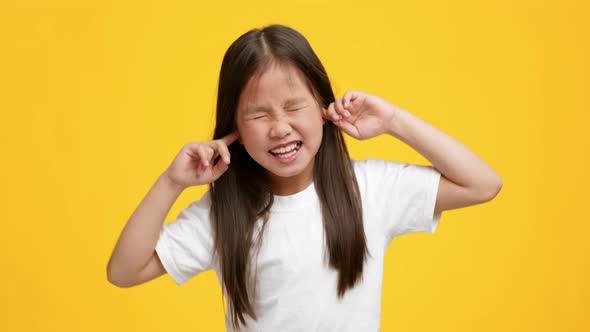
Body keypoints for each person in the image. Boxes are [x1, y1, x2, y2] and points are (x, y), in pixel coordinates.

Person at [107, 24, 502, 331]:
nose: (279, 128)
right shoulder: (225, 214)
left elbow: (482, 184)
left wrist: (393, 121)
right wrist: (171, 183)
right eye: (259, 115)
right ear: (235, 130)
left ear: (324, 106)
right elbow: (124, 271)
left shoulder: (369, 189)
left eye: (294, 106)